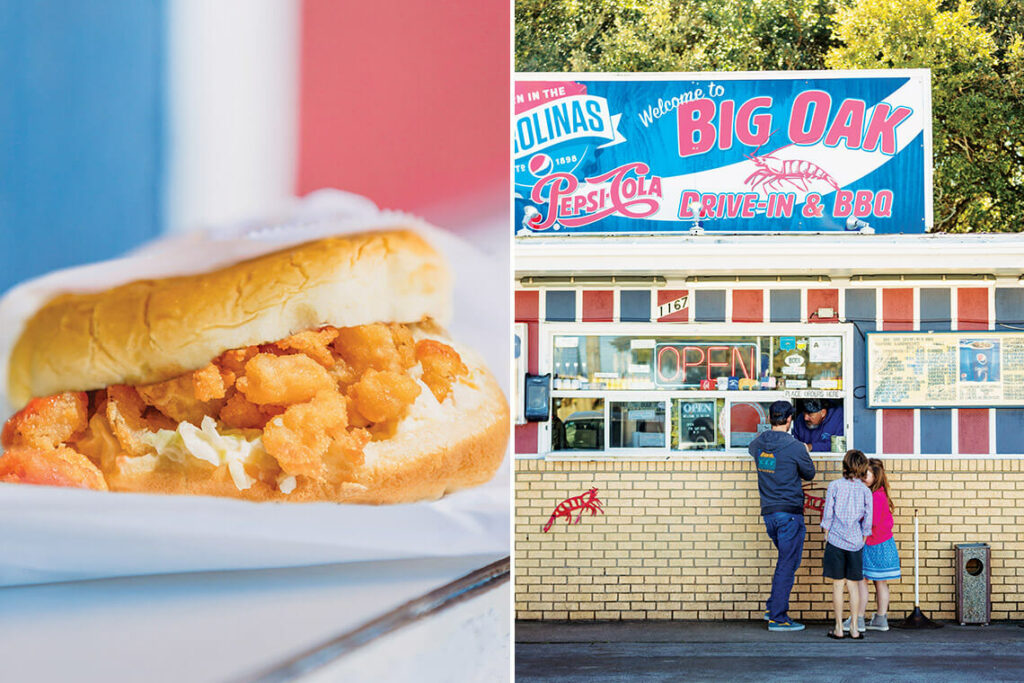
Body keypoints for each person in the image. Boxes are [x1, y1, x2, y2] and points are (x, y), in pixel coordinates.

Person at [748, 400, 816, 631]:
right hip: (789, 514)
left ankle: (772, 607)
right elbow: (809, 474)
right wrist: (805, 451)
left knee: (784, 562)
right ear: (789, 420)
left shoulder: (757, 444)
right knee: (787, 564)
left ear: (770, 418)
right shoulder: (795, 446)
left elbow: (759, 453)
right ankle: (778, 616)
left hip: (769, 514)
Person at [843, 458, 901, 632]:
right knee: (881, 582)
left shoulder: (874, 496)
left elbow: (872, 521)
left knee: (862, 581)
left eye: (865, 474)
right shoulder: (880, 493)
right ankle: (881, 619)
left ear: (876, 476)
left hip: (872, 543)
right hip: (884, 543)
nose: (862, 477)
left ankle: (859, 619)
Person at [821, 449, 873, 640]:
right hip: (855, 542)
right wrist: (863, 538)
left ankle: (838, 628)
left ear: (845, 466)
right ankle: (854, 628)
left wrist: (826, 533)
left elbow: (828, 514)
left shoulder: (834, 486)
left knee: (837, 586)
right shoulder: (866, 491)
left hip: (835, 540)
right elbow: (868, 520)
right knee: (853, 587)